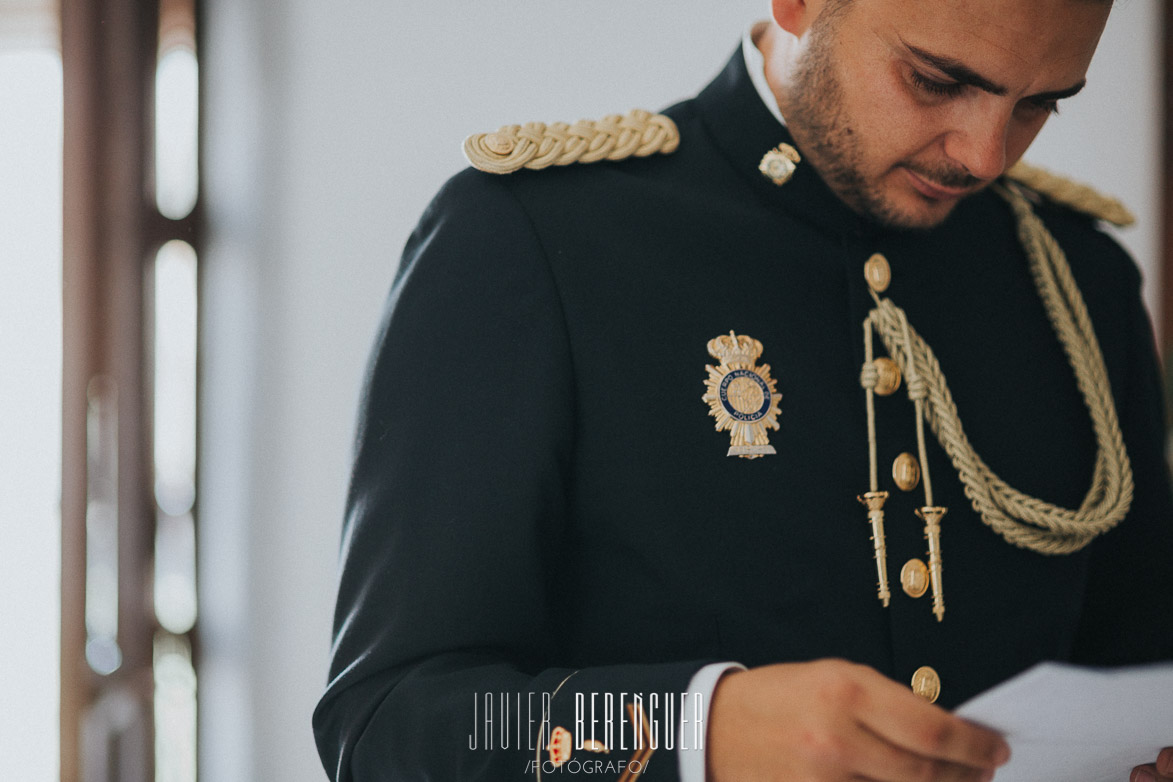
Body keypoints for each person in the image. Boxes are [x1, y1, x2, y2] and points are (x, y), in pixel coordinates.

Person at [313, 1, 1173, 780]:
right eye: (935, 80)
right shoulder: (537, 236)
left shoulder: (1075, 279)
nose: (983, 154)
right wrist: (695, 729)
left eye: (1038, 103)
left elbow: (1136, 666)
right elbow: (385, 723)